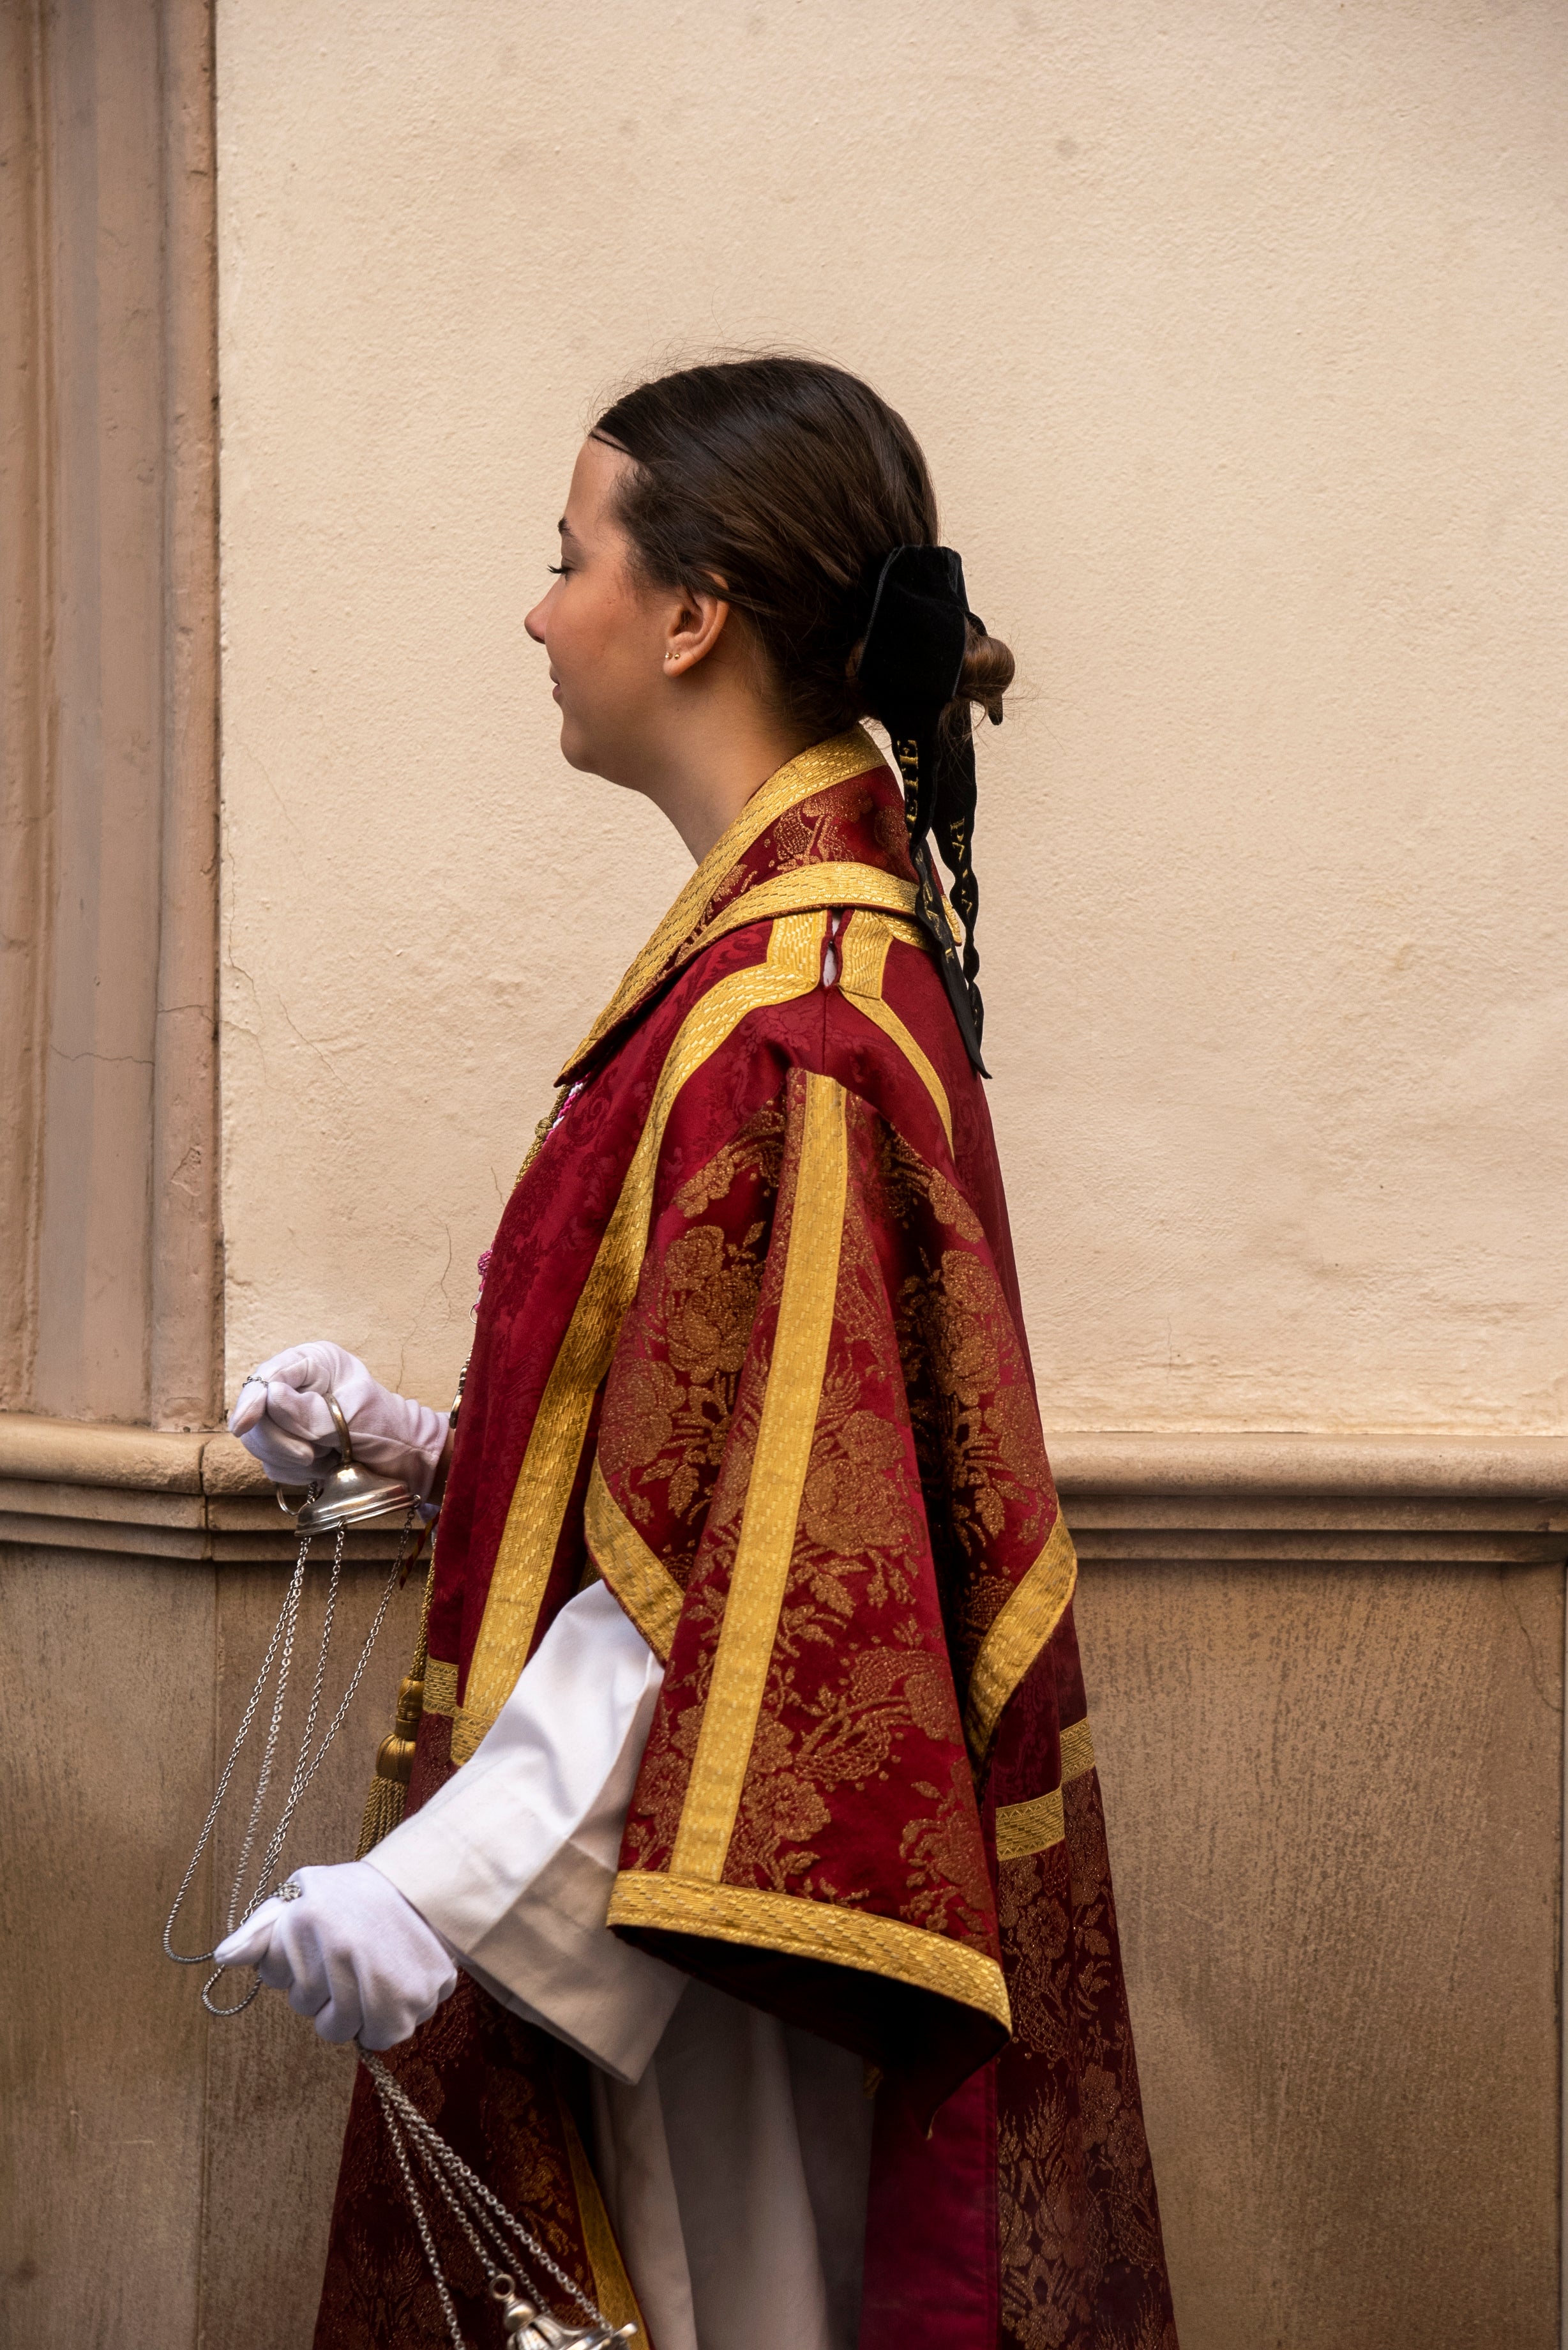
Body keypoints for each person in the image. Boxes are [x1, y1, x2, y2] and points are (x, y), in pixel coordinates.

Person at [220, 357, 1179, 2350]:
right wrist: (426, 1446)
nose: (538, 609)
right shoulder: (773, 970)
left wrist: (439, 1883)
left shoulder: (794, 1020)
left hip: (718, 1943)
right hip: (656, 1880)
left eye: (568, 555)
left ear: (688, 612)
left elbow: (756, 1575)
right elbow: (712, 1441)